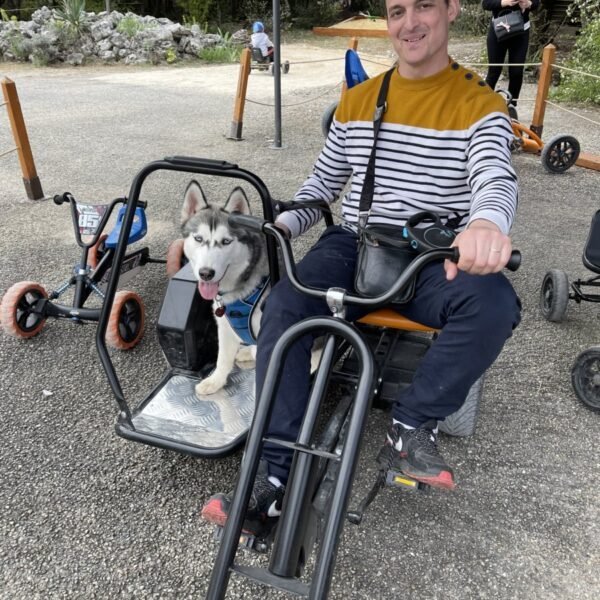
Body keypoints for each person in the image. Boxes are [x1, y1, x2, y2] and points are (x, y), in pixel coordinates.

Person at [201, 0, 521, 533]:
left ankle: (410, 426)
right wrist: (278, 227)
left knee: (494, 305)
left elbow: (494, 175)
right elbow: (321, 187)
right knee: (286, 305)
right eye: (397, 11)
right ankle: (273, 479)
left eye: (424, 6)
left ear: (452, 10)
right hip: (356, 243)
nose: (410, 23)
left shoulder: (480, 104)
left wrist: (486, 224)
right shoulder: (359, 101)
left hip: (431, 254)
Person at [482, 0, 540, 116]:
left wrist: (529, 4)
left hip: (521, 30)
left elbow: (536, 3)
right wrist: (504, 2)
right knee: (494, 71)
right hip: (498, 28)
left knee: (516, 72)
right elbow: (486, 4)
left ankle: (511, 108)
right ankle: (483, 106)